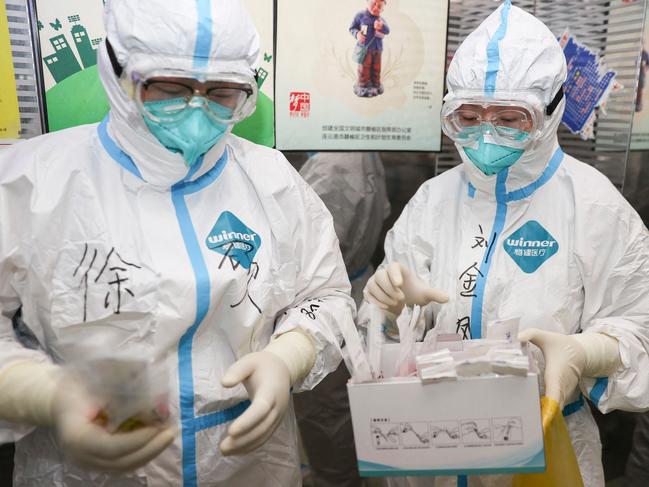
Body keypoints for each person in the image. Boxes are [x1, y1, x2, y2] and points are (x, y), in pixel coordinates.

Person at [0, 0, 357, 485]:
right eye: (169, 87)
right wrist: (47, 394)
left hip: (247, 463)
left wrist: (286, 357)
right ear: (116, 73)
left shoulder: (271, 180)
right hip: (88, 470)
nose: (196, 109)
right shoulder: (30, 184)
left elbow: (325, 294)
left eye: (222, 93)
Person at [361, 1, 649, 486]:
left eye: (510, 118)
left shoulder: (596, 206)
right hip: (432, 440)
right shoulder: (434, 200)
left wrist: (587, 351)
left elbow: (640, 328)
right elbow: (376, 335)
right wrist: (389, 311)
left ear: (551, 112)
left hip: (548, 441)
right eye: (468, 116)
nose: (485, 133)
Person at [294, 152, 390, 487]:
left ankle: (337, 479)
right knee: (339, 408)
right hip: (354, 289)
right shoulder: (362, 153)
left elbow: (308, 248)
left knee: (326, 410)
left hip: (331, 298)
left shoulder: (331, 165)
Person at [350, 0, 390, 98]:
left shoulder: (381, 20)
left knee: (377, 67)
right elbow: (352, 28)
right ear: (367, 2)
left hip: (378, 48)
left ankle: (376, 83)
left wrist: (382, 26)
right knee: (364, 68)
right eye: (373, 4)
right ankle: (363, 85)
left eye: (379, 6)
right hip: (365, 48)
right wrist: (357, 34)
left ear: (383, 9)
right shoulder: (360, 16)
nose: (376, 8)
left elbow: (388, 31)